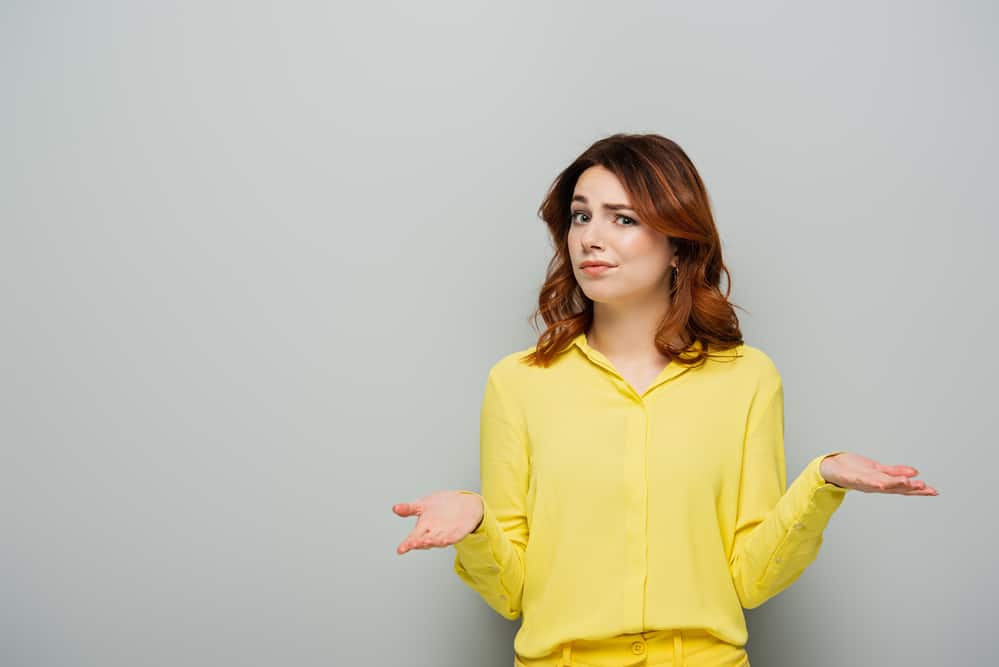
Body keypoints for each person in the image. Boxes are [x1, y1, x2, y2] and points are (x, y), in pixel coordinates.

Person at [392, 133, 938, 667]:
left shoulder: (748, 379)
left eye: (622, 219)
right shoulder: (518, 383)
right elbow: (512, 594)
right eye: (581, 216)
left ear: (679, 243)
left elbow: (752, 579)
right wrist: (477, 522)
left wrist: (823, 480)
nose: (590, 238)